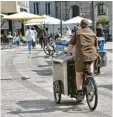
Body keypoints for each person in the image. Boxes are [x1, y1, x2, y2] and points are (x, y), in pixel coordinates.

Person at [65, 19, 99, 100]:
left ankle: (80, 92)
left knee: (79, 73)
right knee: (90, 69)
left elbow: (71, 45)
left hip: (80, 57)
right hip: (92, 56)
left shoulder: (77, 33)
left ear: (81, 25)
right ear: (88, 25)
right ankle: (91, 83)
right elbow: (95, 45)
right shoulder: (92, 33)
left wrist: (66, 51)